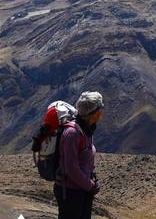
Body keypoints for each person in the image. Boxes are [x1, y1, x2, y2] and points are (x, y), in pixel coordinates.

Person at [54, 91, 104, 219]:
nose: (102, 112)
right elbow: (71, 168)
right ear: (93, 113)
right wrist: (90, 185)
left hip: (82, 190)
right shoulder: (73, 134)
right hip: (70, 193)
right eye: (100, 108)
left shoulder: (87, 129)